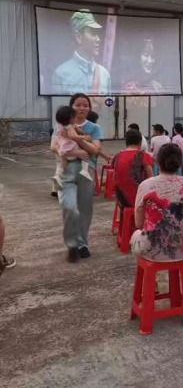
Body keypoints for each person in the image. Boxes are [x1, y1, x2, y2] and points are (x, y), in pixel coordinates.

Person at [132, 144, 183, 293]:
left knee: (136, 235)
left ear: (157, 163)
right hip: (182, 249)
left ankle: (152, 285)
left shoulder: (145, 185)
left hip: (152, 249)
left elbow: (139, 224)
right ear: (180, 163)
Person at [56, 93, 103, 262]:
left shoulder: (94, 128)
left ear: (89, 108)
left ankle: (82, 244)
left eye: (85, 105)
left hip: (86, 171)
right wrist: (76, 150)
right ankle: (71, 244)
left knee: (84, 210)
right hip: (66, 170)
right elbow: (54, 146)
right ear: (71, 107)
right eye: (78, 104)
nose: (82, 108)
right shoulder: (62, 124)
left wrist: (79, 140)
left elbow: (96, 150)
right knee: (69, 207)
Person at [51, 10, 111, 95]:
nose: (98, 39)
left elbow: (109, 102)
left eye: (98, 34)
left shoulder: (104, 74)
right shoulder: (61, 74)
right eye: (93, 33)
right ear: (79, 37)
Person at [51, 105, 93, 190]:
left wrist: (79, 130)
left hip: (62, 147)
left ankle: (58, 176)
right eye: (74, 117)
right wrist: (83, 137)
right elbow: (73, 136)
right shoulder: (69, 127)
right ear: (71, 118)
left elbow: (78, 130)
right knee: (84, 153)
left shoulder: (61, 125)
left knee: (64, 161)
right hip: (70, 146)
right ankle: (85, 170)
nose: (76, 119)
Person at [113, 129, 154, 209]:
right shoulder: (144, 156)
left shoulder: (117, 156)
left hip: (121, 200)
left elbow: (114, 178)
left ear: (126, 142)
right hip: (139, 200)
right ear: (140, 143)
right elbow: (151, 179)